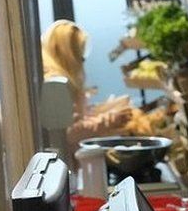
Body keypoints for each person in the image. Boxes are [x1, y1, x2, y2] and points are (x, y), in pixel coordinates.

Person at [41, 19, 131, 147]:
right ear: (69, 53)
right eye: (79, 52)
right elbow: (68, 133)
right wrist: (110, 120)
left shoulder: (55, 79)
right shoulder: (56, 83)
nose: (82, 60)